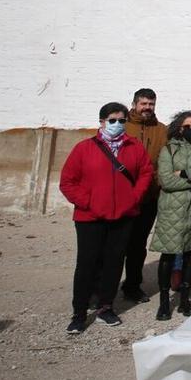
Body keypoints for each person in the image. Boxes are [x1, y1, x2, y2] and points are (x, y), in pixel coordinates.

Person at [60, 102, 154, 334]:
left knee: (114, 262)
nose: (117, 124)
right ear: (102, 122)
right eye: (112, 120)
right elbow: (68, 181)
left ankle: (105, 307)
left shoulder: (134, 147)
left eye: (122, 121)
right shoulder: (84, 148)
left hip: (123, 215)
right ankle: (79, 313)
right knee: (87, 264)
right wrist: (88, 202)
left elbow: (146, 172)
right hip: (90, 217)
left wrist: (133, 197)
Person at [149, 109, 191, 321]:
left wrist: (185, 173)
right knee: (168, 254)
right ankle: (163, 302)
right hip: (173, 210)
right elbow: (166, 180)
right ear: (179, 128)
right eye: (186, 126)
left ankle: (186, 299)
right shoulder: (168, 151)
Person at [119, 88, 167, 303]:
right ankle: (102, 287)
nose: (147, 108)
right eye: (144, 104)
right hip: (122, 197)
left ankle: (132, 285)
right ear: (134, 103)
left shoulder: (161, 130)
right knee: (114, 244)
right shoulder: (121, 127)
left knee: (138, 245)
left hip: (149, 197)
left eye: (151, 104)